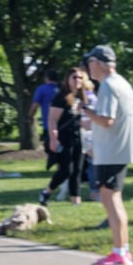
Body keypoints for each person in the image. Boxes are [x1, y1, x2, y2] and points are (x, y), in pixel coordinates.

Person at [82, 45, 133, 265]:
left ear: (98, 63)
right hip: (119, 149)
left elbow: (107, 120)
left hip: (110, 152)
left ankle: (119, 253)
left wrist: (87, 111)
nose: (87, 68)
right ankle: (123, 249)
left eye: (89, 63)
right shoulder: (123, 83)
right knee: (115, 200)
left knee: (110, 200)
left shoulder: (107, 86)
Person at [39, 68, 90, 207]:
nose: (77, 80)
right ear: (67, 79)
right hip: (63, 138)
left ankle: (76, 201)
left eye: (80, 78)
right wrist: (53, 139)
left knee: (78, 170)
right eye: (74, 77)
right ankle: (47, 192)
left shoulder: (81, 98)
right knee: (66, 170)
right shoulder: (61, 97)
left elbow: (79, 120)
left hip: (78, 136)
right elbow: (52, 120)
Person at [28, 70, 59, 171]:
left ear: (46, 78)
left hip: (48, 123)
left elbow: (35, 104)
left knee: (49, 145)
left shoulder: (42, 89)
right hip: (63, 123)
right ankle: (57, 161)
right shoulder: (62, 88)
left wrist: (30, 115)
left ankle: (54, 160)